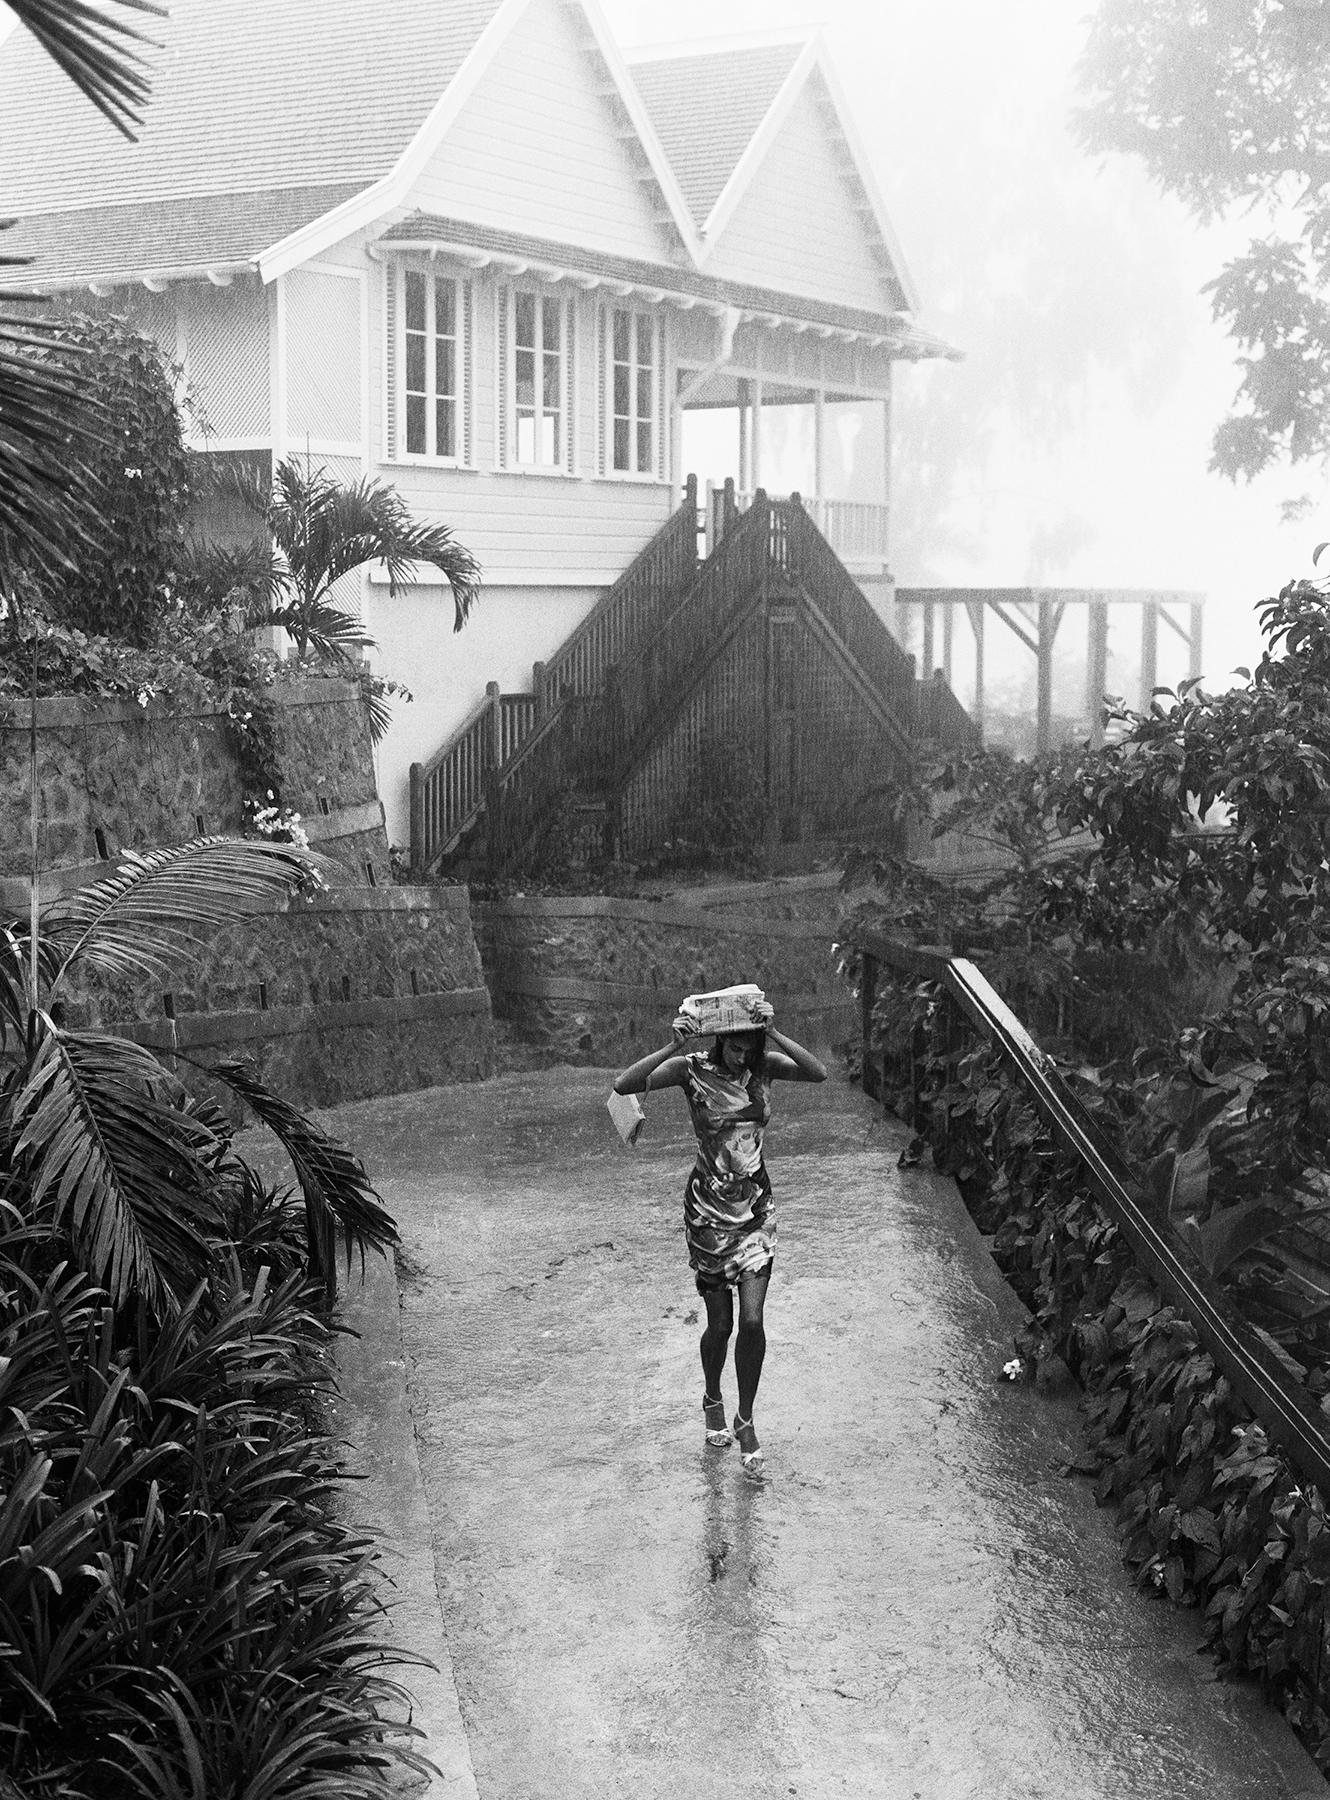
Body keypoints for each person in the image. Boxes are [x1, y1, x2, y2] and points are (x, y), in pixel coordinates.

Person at [613, 999, 827, 1470]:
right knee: (722, 1325)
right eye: (733, 1047)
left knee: (752, 1322)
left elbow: (818, 1074)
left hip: (755, 1209)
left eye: (746, 1048)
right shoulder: (691, 1071)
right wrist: (674, 1042)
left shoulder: (763, 1065)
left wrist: (772, 1034)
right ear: (718, 1041)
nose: (740, 1057)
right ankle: (712, 1397)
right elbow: (623, 1084)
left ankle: (745, 1417)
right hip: (708, 1214)